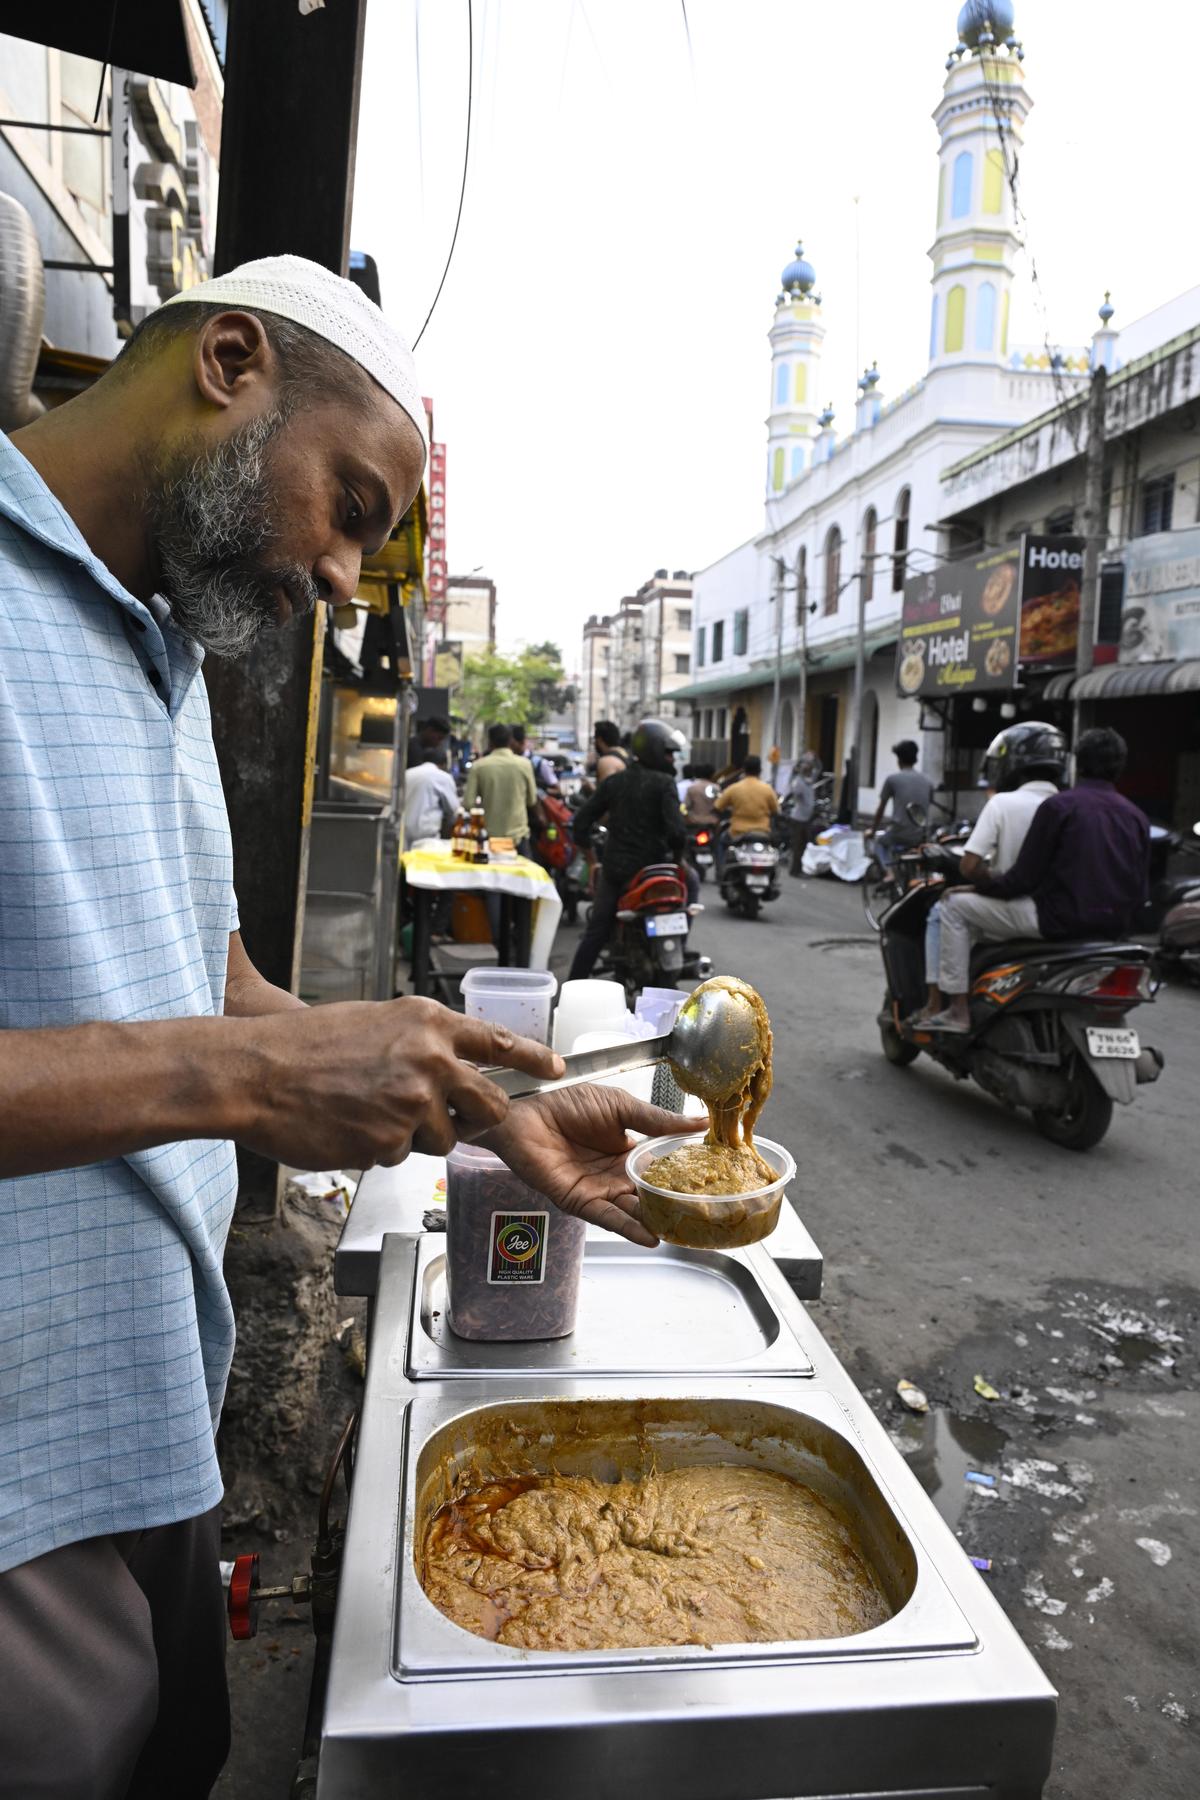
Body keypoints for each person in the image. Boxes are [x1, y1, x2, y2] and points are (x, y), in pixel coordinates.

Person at [0, 254, 685, 1799]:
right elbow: (224, 1046)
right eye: (353, 509)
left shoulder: (164, 641)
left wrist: (471, 1102)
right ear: (231, 362)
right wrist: (252, 1071)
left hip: (147, 1401)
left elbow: (203, 975)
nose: (342, 580)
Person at [927, 727, 1150, 1033]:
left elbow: (1022, 879)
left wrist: (979, 886)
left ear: (1078, 764)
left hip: (1055, 920)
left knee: (952, 905)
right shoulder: (1136, 816)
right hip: (1113, 931)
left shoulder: (1060, 808)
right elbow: (1139, 886)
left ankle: (957, 1009)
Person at [913, 722, 1066, 1022]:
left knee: (945, 908)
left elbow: (969, 866)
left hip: (1019, 910)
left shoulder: (1003, 804)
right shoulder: (1068, 805)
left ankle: (947, 1005)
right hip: (1062, 912)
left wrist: (985, 881)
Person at [568, 718, 694, 980]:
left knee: (597, 931)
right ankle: (679, 945)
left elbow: (580, 822)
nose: (672, 759)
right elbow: (677, 833)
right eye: (668, 753)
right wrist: (679, 861)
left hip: (617, 871)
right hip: (658, 871)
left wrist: (592, 860)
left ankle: (570, 990)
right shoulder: (664, 784)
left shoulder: (615, 782)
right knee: (691, 884)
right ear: (655, 751)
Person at [463, 722, 538, 855]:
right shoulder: (525, 765)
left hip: (489, 837)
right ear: (510, 741)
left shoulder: (479, 767)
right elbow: (532, 801)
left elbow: (469, 804)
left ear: (490, 742)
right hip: (518, 838)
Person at [867, 740, 936, 871]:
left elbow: (880, 809)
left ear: (899, 759)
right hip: (921, 835)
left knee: (880, 844)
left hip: (899, 833)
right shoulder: (928, 781)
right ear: (915, 758)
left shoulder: (892, 779)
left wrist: (873, 830)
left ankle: (889, 874)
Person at [713, 753, 779, 876]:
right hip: (762, 832)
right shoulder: (767, 789)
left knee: (721, 842)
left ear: (744, 769)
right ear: (760, 770)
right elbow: (776, 811)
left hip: (737, 832)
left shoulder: (734, 788)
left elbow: (717, 807)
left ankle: (721, 871)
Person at [404, 745, 459, 845]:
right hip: (427, 836)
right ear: (444, 764)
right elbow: (453, 809)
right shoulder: (443, 777)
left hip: (402, 832)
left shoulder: (407, 774)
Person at [787, 751, 822, 877]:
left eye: (809, 766)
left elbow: (819, 768)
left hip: (806, 818)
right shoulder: (798, 781)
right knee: (798, 846)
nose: (808, 768)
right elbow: (795, 793)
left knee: (804, 845)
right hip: (798, 819)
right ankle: (795, 871)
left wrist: (814, 757)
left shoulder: (809, 780)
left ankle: (798, 869)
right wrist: (799, 763)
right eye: (805, 766)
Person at [510, 722, 560, 794]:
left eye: (511, 744)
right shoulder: (506, 762)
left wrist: (538, 791)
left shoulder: (539, 763)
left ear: (522, 742)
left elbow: (557, 790)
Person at [592, 718, 629, 784]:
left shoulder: (607, 761)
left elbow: (606, 792)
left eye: (595, 739)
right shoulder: (625, 754)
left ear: (599, 740)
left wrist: (589, 788)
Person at [683, 762, 721, 826]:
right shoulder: (716, 788)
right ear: (712, 774)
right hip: (712, 821)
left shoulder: (692, 788)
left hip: (694, 821)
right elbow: (719, 805)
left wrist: (686, 817)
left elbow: (685, 806)